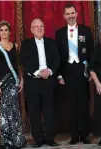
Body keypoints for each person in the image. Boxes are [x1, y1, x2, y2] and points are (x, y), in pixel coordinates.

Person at [55, 3, 94, 144]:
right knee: (70, 105)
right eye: (68, 14)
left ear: (76, 14)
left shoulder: (86, 31)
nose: (71, 16)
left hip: (82, 70)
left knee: (83, 103)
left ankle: (84, 134)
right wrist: (59, 75)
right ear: (64, 16)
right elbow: (57, 56)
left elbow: (91, 53)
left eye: (73, 13)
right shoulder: (59, 33)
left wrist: (90, 72)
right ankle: (74, 136)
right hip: (67, 72)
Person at [20, 18, 60, 148]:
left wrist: (50, 71)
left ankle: (50, 138)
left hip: (49, 80)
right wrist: (38, 72)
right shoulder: (26, 44)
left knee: (50, 111)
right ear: (31, 30)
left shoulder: (51, 43)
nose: (39, 28)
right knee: (34, 112)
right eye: (36, 26)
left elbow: (57, 58)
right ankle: (38, 139)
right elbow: (24, 61)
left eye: (41, 26)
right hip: (33, 82)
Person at [0, 20, 27, 149]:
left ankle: (17, 139)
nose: (4, 32)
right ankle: (7, 141)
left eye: (6, 30)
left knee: (14, 110)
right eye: (1, 30)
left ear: (10, 32)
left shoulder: (16, 46)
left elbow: (18, 65)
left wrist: (21, 80)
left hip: (14, 81)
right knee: (5, 112)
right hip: (3, 82)